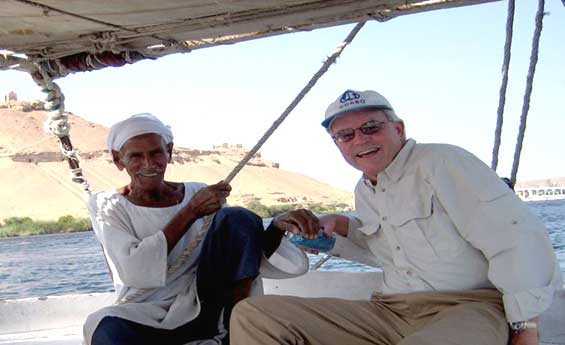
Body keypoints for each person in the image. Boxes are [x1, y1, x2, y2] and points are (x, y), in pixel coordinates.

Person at [230, 90, 563, 345]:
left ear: (398, 129)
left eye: (371, 128)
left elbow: (515, 237)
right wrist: (339, 231)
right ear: (337, 144)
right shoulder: (366, 189)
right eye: (345, 136)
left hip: (468, 307)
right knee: (255, 315)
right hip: (389, 310)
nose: (359, 140)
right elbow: (391, 252)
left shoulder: (443, 162)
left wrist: (525, 326)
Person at [83, 113, 304, 345]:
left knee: (237, 216)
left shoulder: (197, 191)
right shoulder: (106, 205)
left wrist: (276, 228)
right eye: (136, 156)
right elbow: (135, 272)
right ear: (119, 160)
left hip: (205, 299)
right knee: (106, 328)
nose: (148, 164)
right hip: (146, 307)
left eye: (156, 152)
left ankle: (236, 324)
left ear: (169, 150)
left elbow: (240, 253)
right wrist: (190, 212)